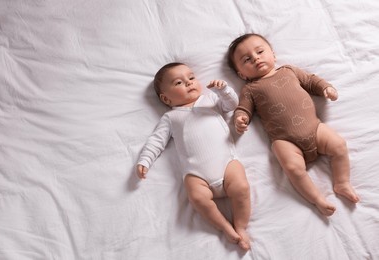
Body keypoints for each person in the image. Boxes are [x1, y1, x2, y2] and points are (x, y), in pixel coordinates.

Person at [227, 33, 359, 216]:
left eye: (260, 51)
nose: (256, 58)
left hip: (314, 128)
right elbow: (243, 108)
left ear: (273, 55)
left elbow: (311, 81)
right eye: (247, 59)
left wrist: (326, 88)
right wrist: (240, 118)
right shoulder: (250, 89)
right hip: (285, 140)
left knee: (339, 145)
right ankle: (317, 199)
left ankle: (342, 182)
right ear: (241, 74)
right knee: (292, 168)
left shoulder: (289, 71)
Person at [136, 62, 251, 250]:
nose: (189, 83)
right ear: (166, 99)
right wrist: (145, 160)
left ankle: (241, 226)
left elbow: (232, 105)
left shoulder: (209, 101)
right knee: (197, 198)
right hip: (197, 175)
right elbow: (156, 141)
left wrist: (224, 91)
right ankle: (224, 227)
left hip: (226, 164)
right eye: (179, 83)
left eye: (191, 78)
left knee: (242, 187)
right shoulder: (170, 118)